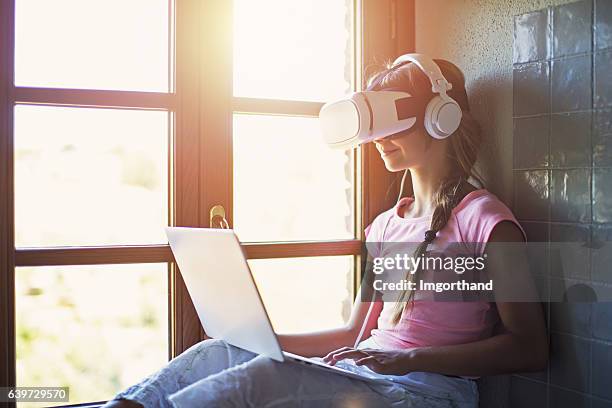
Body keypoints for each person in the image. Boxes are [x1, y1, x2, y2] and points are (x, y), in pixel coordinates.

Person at [103, 57, 548, 408]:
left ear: (440, 119)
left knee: (260, 381)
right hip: (364, 378)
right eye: (373, 125)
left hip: (426, 395)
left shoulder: (487, 222)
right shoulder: (387, 225)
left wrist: (407, 358)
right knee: (218, 352)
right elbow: (352, 335)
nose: (377, 138)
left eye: (393, 120)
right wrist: (261, 343)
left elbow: (529, 347)